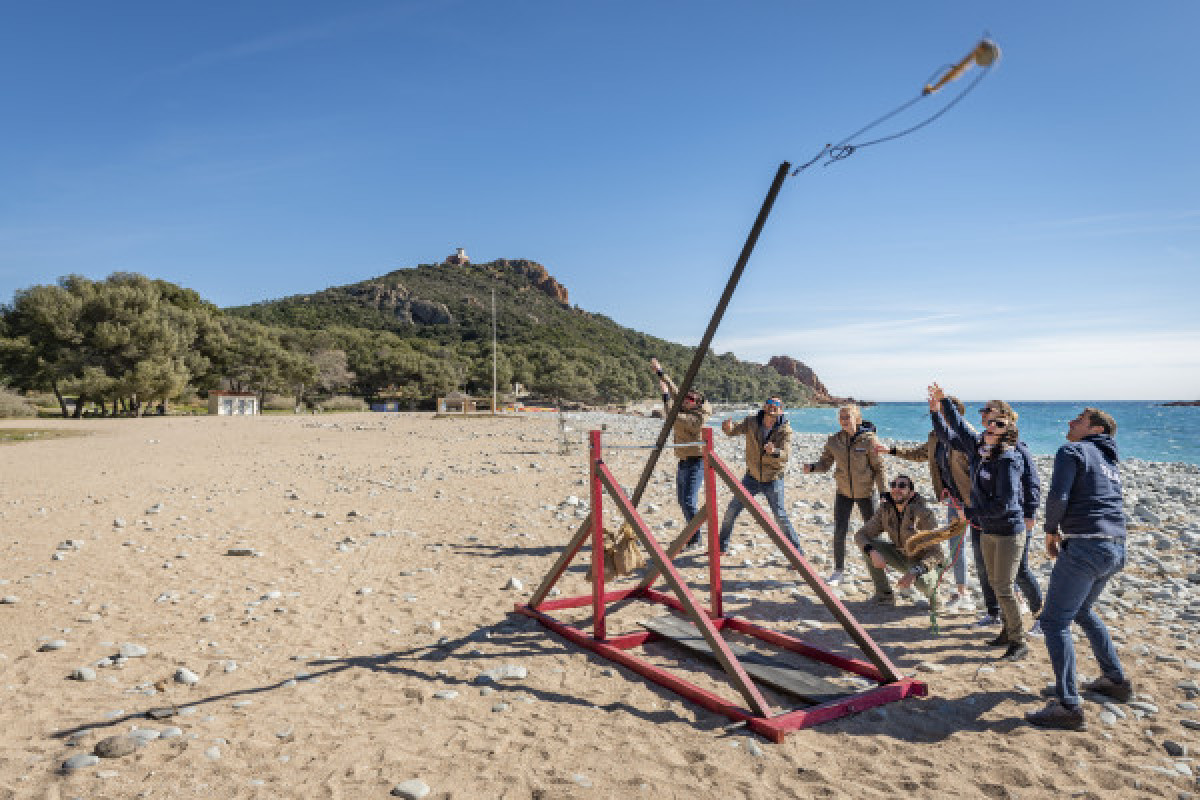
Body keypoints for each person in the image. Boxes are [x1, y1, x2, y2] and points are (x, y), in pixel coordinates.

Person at [1025, 408, 1132, 731]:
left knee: (1054, 621)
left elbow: (1058, 495)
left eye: (1078, 420)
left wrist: (1050, 532)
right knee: (1082, 610)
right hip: (1116, 547)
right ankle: (1115, 680)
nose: (1070, 423)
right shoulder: (1109, 461)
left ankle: (1068, 705)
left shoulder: (1072, 450)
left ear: (1095, 428)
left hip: (1086, 547)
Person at [930, 383, 1029, 661]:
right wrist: (939, 406)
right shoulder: (979, 449)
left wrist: (971, 515)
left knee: (1006, 587)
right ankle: (1008, 632)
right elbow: (954, 430)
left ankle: (1019, 641)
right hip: (988, 529)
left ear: (1006, 429)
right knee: (996, 584)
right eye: (988, 421)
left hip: (1008, 531)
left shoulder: (1008, 460)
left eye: (998, 423)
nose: (990, 425)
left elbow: (1005, 504)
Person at [880, 395, 975, 614]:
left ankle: (1011, 595)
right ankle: (963, 592)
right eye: (938, 412)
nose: (939, 416)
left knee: (985, 547)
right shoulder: (935, 437)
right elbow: (920, 453)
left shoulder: (967, 437)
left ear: (955, 412)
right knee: (956, 546)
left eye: (944, 411)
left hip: (973, 500)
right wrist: (891, 451)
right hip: (954, 499)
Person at [965, 401, 1044, 633]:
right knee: (988, 571)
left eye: (992, 415)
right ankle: (995, 614)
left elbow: (1032, 483)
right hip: (988, 519)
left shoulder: (1016, 449)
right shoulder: (984, 445)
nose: (986, 418)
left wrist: (1030, 512)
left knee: (1019, 570)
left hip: (1012, 519)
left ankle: (1041, 616)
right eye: (985, 414)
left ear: (1007, 420)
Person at [802, 405, 887, 585]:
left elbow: (879, 469)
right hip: (843, 493)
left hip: (866, 493)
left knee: (873, 533)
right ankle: (839, 571)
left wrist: (883, 493)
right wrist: (812, 468)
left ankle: (881, 569)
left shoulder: (869, 440)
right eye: (841, 417)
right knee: (839, 531)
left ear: (857, 418)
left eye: (847, 416)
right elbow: (825, 464)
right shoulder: (834, 441)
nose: (844, 420)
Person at [717, 397, 804, 555]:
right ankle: (721, 547)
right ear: (764, 407)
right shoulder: (751, 422)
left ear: (781, 410)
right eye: (769, 404)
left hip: (773, 479)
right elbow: (733, 430)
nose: (772, 407)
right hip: (751, 477)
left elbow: (785, 454)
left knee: (780, 516)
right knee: (731, 510)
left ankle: (797, 553)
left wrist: (774, 451)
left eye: (776, 405)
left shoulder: (785, 430)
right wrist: (727, 428)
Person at [854, 473, 945, 610]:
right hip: (901, 555)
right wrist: (872, 552)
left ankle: (935, 596)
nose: (897, 489)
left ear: (911, 493)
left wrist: (913, 572)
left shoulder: (924, 514)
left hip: (923, 561)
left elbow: (937, 554)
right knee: (868, 547)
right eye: (894, 485)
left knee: (924, 583)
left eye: (902, 486)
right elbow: (861, 534)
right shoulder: (885, 510)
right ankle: (884, 595)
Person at [651, 358, 712, 549]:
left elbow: (672, 417)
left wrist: (666, 397)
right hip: (683, 461)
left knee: (688, 501)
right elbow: (678, 390)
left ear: (698, 403)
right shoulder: (689, 405)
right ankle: (692, 535)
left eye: (691, 399)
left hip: (696, 462)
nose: (686, 400)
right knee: (682, 500)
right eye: (686, 398)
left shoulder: (697, 418)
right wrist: (660, 372)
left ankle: (696, 538)